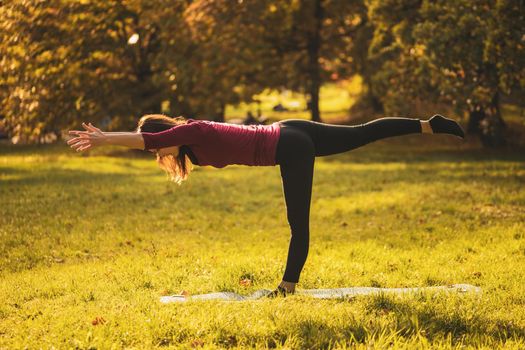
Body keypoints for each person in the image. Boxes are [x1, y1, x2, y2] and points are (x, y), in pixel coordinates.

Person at [67, 114, 464, 296]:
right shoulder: (190, 142)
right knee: (360, 135)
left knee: (298, 223)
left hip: (289, 146)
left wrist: (104, 139)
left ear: (164, 133)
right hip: (288, 131)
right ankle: (428, 125)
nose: (156, 152)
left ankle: (287, 288)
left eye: (156, 145)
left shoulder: (191, 130)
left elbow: (147, 141)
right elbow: (152, 144)